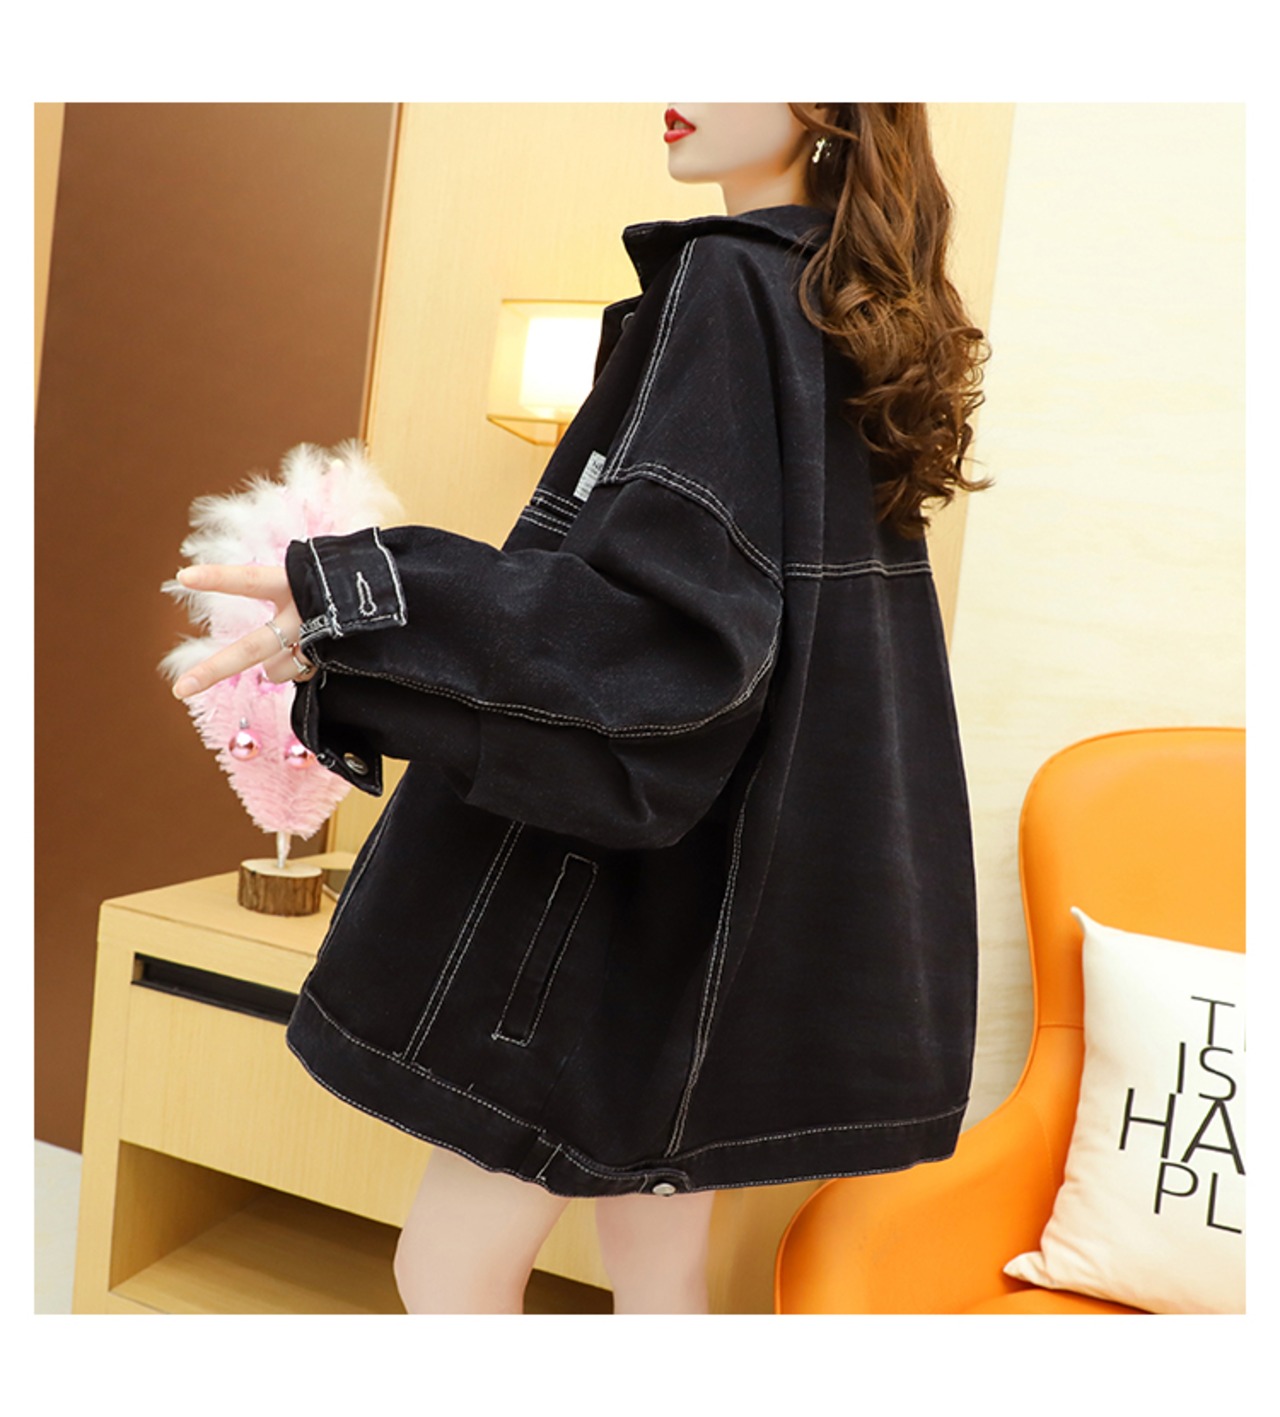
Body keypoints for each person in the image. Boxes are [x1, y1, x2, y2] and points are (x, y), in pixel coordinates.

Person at [170, 103, 992, 1315]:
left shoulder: (728, 281)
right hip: (740, 895)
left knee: (445, 1269)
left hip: (615, 894)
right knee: (657, 1269)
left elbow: (658, 639)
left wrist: (369, 599)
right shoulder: (855, 307)